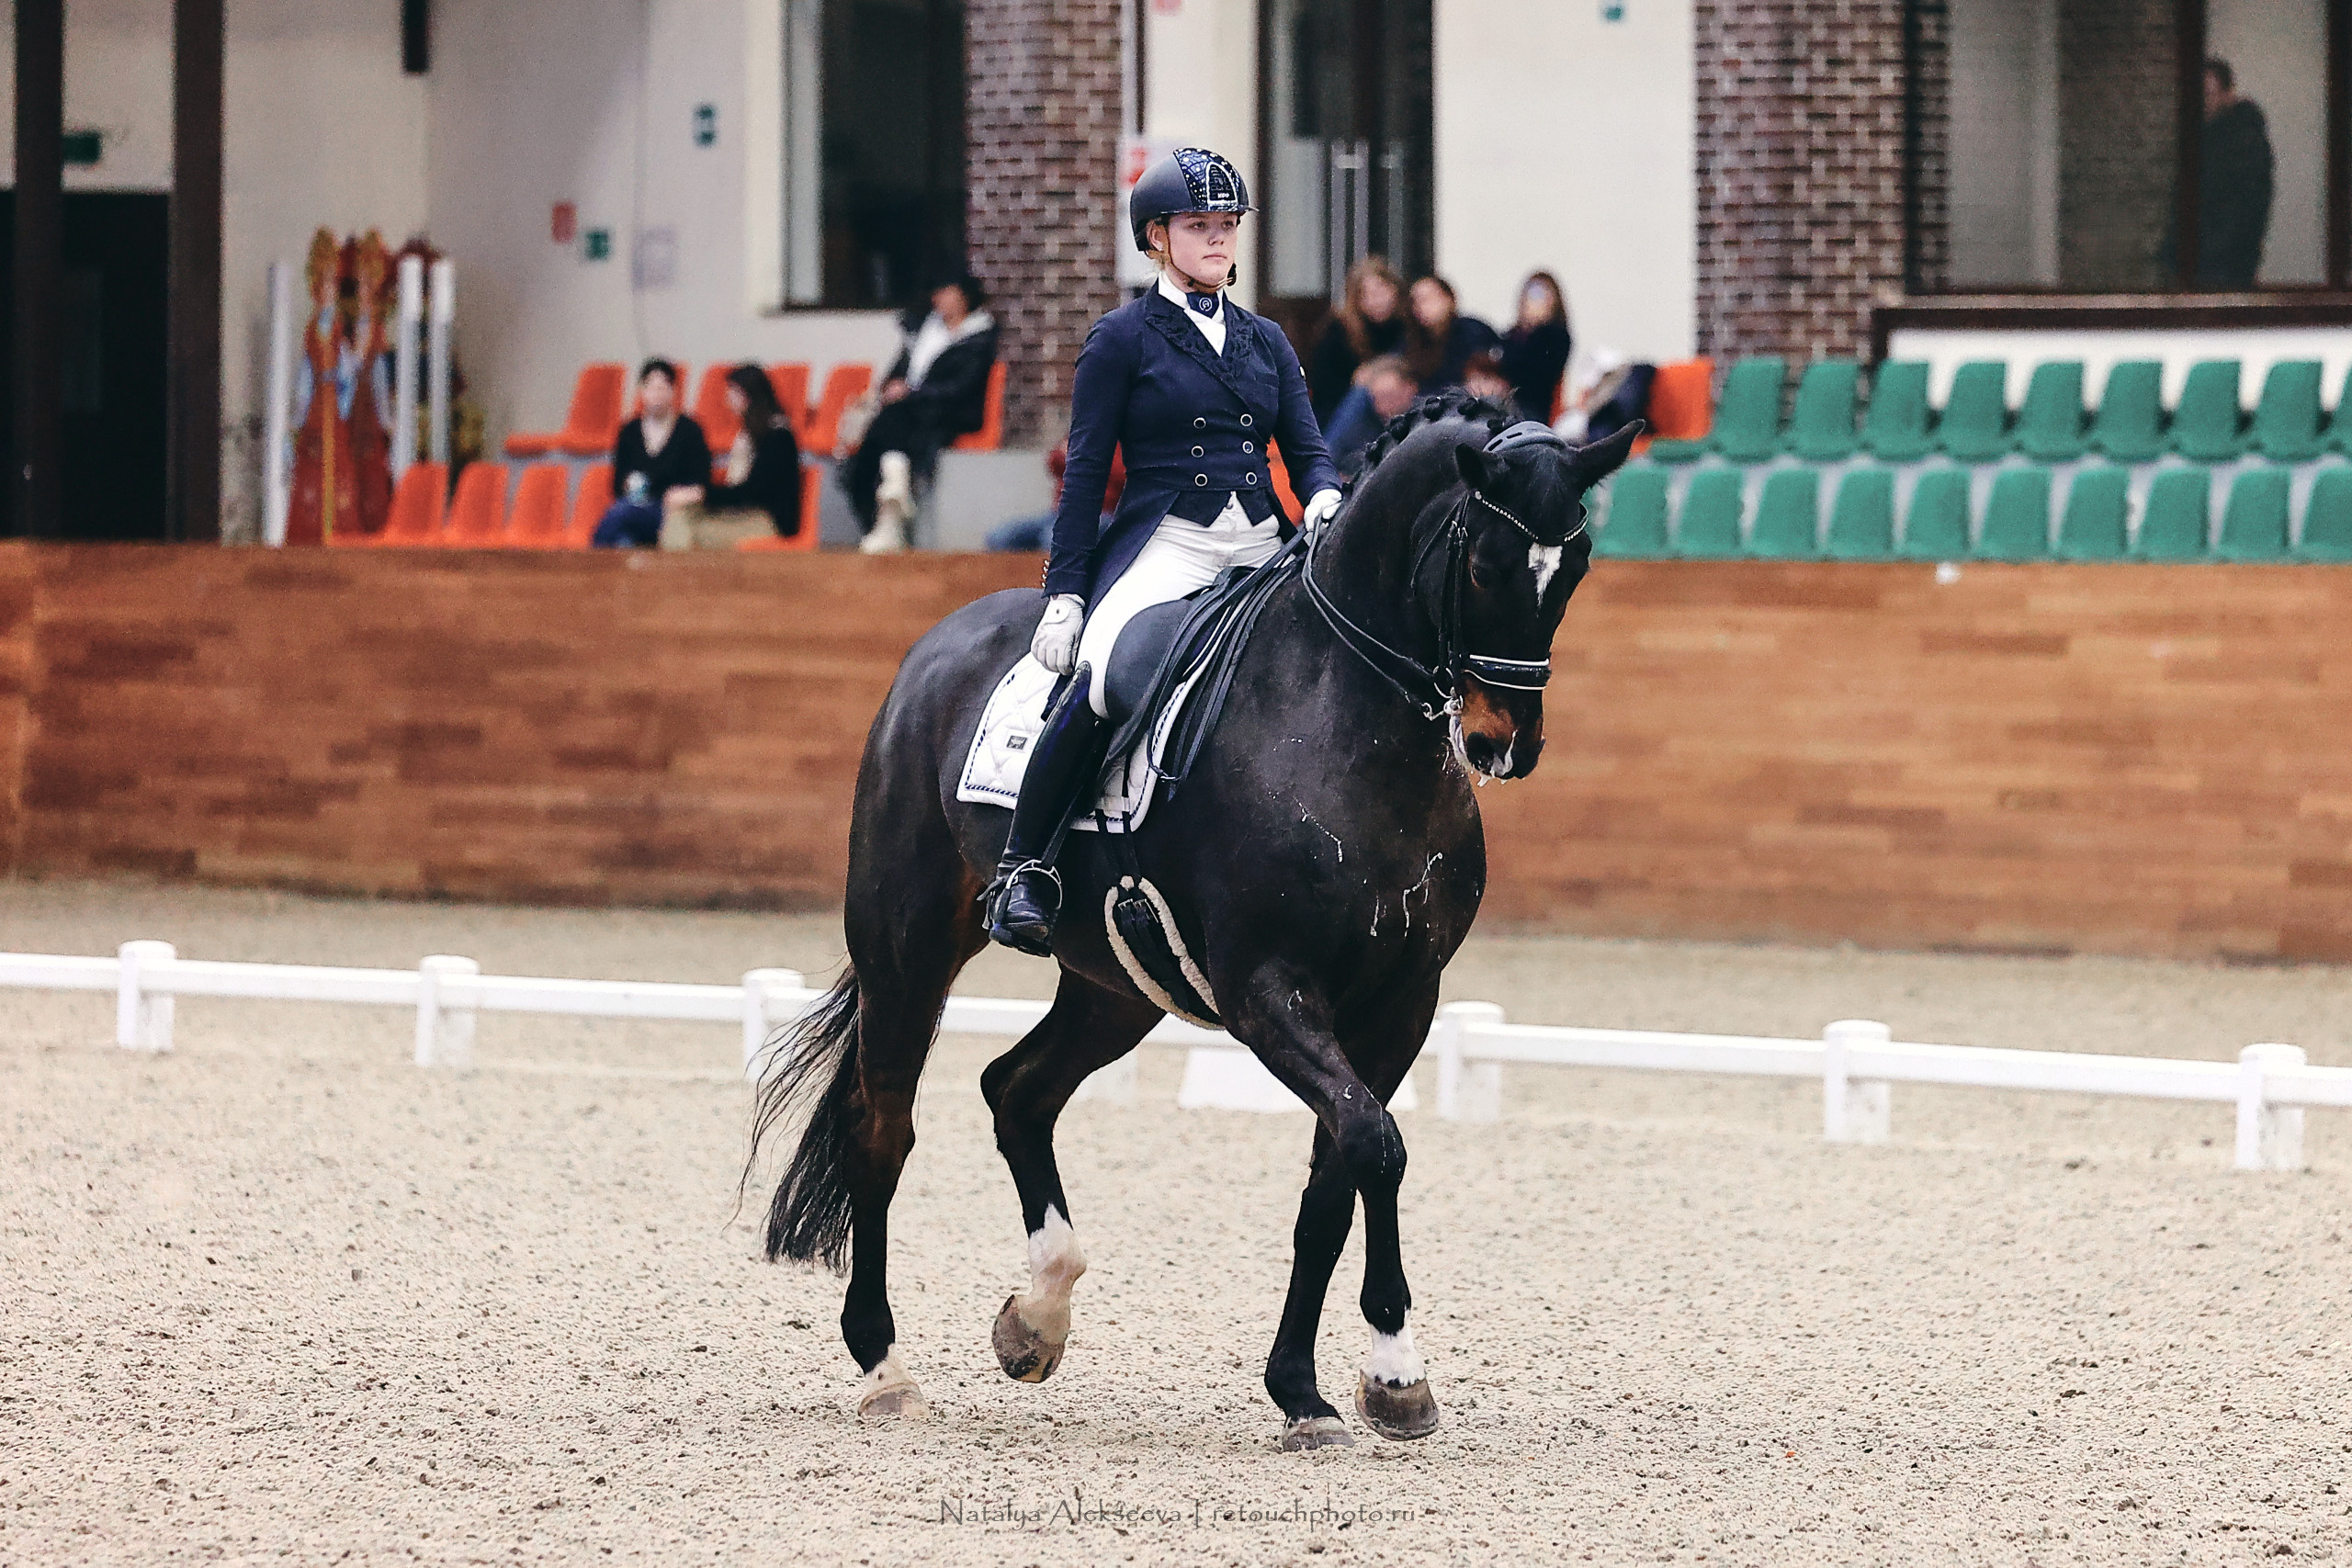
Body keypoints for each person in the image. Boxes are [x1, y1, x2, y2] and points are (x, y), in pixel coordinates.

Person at [979, 146, 1344, 954]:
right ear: (1157, 239)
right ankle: (1025, 867)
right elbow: (1083, 473)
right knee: (1105, 673)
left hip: (1259, 541)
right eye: (1199, 227)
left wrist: (1322, 493)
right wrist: (1067, 593)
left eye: (1226, 226)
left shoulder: (1268, 341)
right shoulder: (1122, 338)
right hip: (1169, 541)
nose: (1218, 240)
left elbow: (1308, 446)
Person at [842, 273, 999, 553]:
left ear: (964, 296)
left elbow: (963, 388)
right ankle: (891, 489)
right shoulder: (924, 332)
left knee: (887, 427)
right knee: (885, 430)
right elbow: (897, 374)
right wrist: (893, 389)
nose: (939, 299)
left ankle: (890, 508)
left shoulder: (979, 338)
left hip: (950, 413)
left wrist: (912, 393)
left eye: (946, 292)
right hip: (909, 414)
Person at [2161, 57, 2274, 288]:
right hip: (2201, 265)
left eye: (2207, 94)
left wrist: (2206, 255)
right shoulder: (2203, 141)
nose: (2201, 103)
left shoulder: (2244, 143)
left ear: (2227, 95)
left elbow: (2247, 212)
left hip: (2221, 269)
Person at [591, 359, 711, 548]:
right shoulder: (629, 431)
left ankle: (590, 562)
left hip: (672, 511)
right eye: (651, 388)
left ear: (673, 391)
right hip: (635, 506)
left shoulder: (690, 430)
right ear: (642, 391)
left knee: (620, 513)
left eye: (662, 388)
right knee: (623, 541)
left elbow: (700, 481)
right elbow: (616, 484)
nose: (656, 395)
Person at [681, 364, 805, 546]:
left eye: (732, 393)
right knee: (682, 515)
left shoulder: (779, 437)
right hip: (745, 513)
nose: (727, 400)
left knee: (695, 532)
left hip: (767, 520)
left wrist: (703, 494)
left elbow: (753, 492)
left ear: (749, 396)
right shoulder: (747, 435)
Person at [1306, 257, 1408, 423]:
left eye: (1381, 291)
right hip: (1341, 412)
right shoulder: (1338, 330)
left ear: (1395, 290)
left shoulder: (1407, 326)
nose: (1375, 300)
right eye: (1365, 295)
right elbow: (1323, 388)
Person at [984, 443, 1126, 552]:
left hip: (1099, 514)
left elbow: (1122, 476)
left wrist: (1086, 460)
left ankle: (1052, 587)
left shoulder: (1125, 443)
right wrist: (1079, 458)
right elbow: (1054, 462)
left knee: (1051, 540)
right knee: (1000, 537)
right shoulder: (1084, 431)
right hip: (1059, 513)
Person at [1403, 275, 1499, 394]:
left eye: (1428, 298)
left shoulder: (1472, 331)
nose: (1420, 306)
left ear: (1449, 299)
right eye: (1415, 301)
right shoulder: (1414, 339)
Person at [1322, 355, 1419, 472]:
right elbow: (1331, 452)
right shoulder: (1365, 425)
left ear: (1410, 388)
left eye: (1388, 396)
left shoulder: (1424, 420)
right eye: (1376, 398)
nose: (1382, 408)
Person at [1498, 270, 1573, 423]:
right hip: (1505, 405)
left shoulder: (1556, 336)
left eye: (1541, 292)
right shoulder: (1511, 336)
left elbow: (1535, 375)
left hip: (1533, 411)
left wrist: (1537, 328)